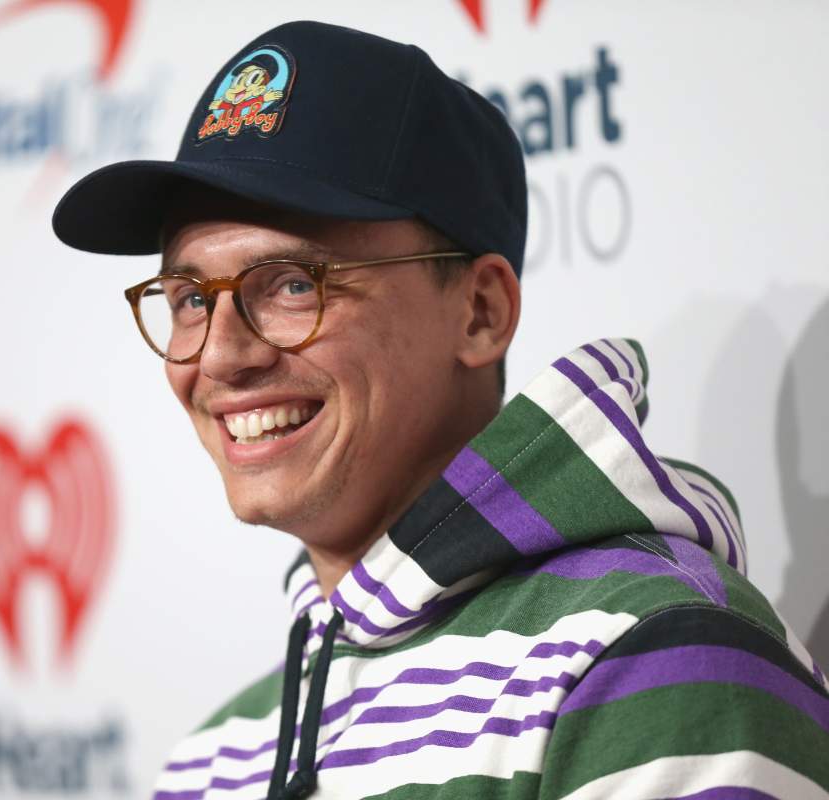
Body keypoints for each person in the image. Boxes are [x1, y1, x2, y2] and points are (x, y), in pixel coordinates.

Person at [52, 20, 829, 800]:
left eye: (291, 284)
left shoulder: (651, 661)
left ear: (481, 312)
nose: (220, 356)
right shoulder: (213, 759)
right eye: (190, 299)